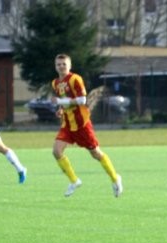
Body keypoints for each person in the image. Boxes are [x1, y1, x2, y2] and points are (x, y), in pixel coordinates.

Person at [50, 54, 123, 197]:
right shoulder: (55, 83)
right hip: (67, 125)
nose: (61, 66)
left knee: (96, 153)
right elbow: (64, 100)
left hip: (81, 124)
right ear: (55, 66)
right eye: (58, 64)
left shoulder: (75, 79)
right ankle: (74, 181)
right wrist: (61, 109)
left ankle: (115, 178)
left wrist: (60, 102)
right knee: (56, 151)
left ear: (69, 65)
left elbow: (82, 100)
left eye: (64, 64)